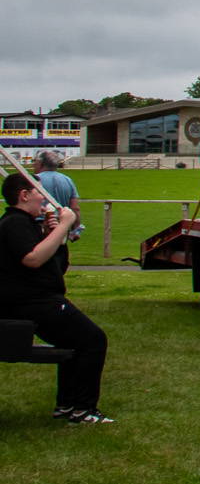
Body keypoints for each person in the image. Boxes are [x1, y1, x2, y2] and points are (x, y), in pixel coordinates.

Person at [0, 171, 112, 423]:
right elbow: (33, 259)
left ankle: (68, 406)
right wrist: (63, 225)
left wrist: (56, 237)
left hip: (40, 299)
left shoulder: (28, 225)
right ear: (24, 195)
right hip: (32, 303)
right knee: (93, 339)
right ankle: (83, 409)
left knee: (74, 343)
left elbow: (54, 266)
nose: (44, 198)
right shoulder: (14, 223)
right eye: (39, 192)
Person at [35, 150, 81, 244]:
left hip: (39, 228)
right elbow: (75, 208)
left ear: (40, 163)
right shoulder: (68, 180)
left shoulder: (34, 180)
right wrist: (76, 230)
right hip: (61, 227)